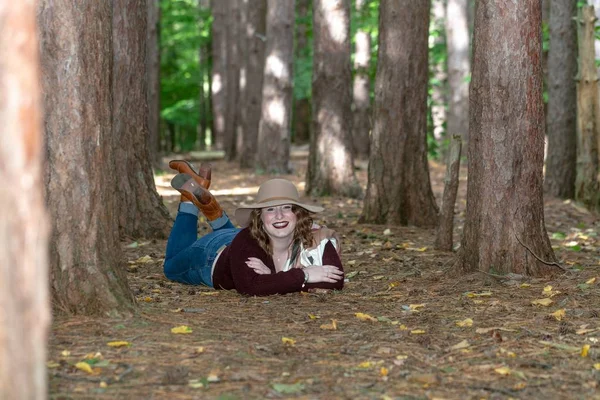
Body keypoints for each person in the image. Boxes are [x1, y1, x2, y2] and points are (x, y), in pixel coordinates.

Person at [163, 160, 344, 296]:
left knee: (241, 241)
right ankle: (189, 202)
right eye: (270, 210)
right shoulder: (248, 240)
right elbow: (251, 287)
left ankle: (213, 210)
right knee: (170, 267)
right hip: (210, 255)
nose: (279, 215)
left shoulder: (317, 238)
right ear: (260, 217)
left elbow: (336, 281)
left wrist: (274, 276)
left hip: (235, 238)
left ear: (298, 214)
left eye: (286, 208)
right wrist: (304, 275)